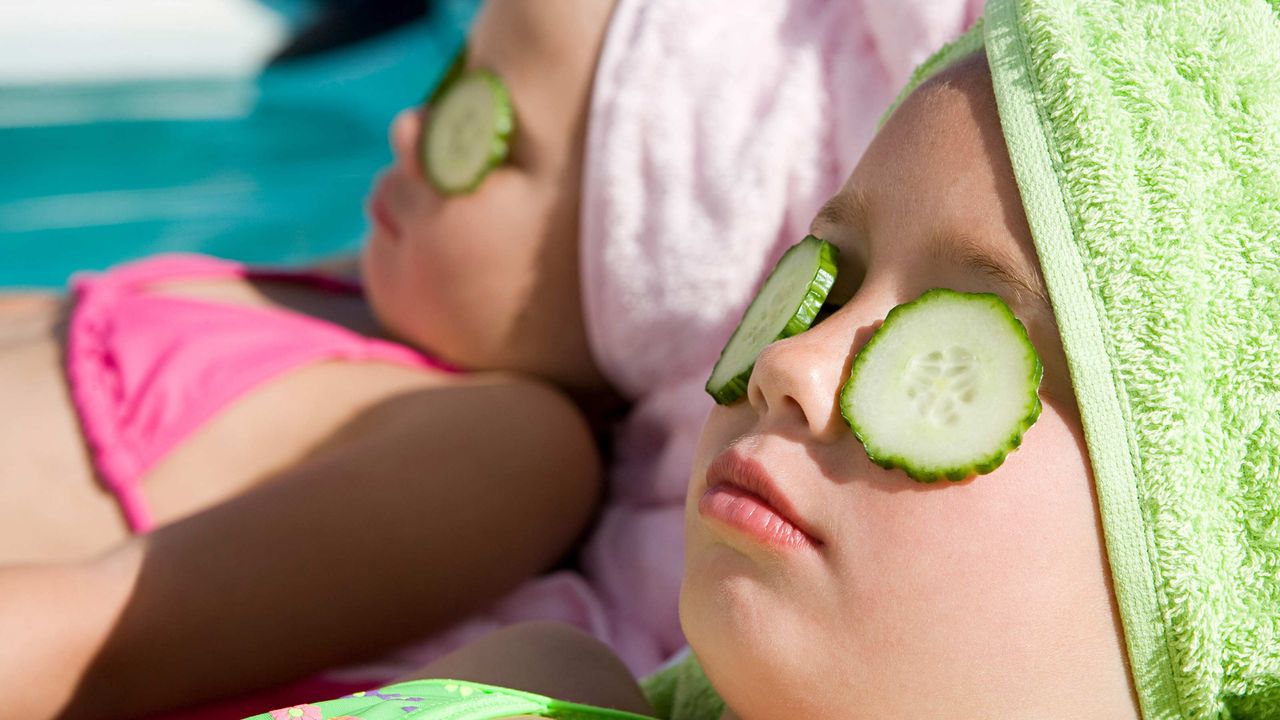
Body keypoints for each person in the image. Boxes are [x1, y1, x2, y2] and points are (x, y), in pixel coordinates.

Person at [248, 0, 1280, 717]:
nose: (791, 361)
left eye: (959, 341)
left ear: (1203, 551)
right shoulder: (532, 692)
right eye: (825, 276)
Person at [0, 1, 986, 718]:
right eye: (443, 83)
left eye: (484, 129)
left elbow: (94, 639)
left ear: (626, 251)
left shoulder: (506, 444)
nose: (409, 128)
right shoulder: (337, 293)